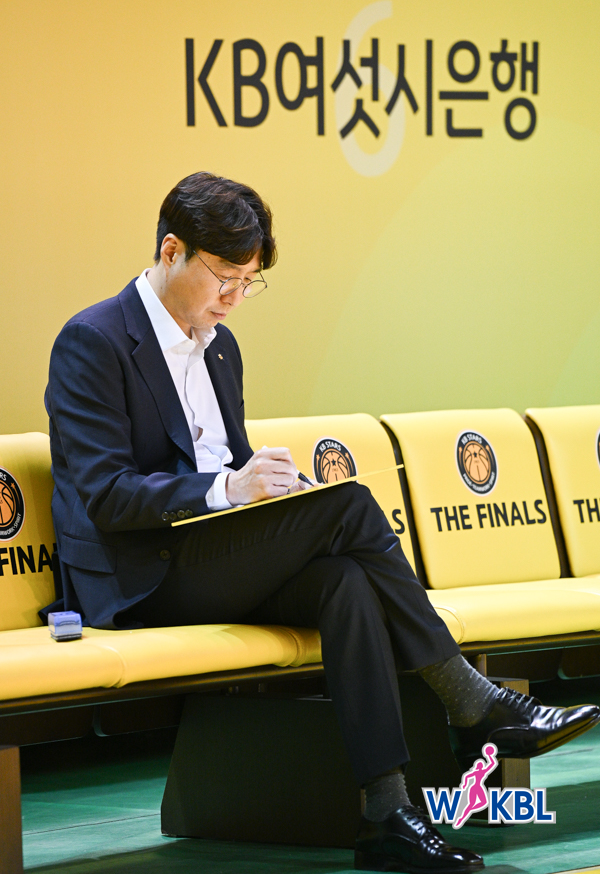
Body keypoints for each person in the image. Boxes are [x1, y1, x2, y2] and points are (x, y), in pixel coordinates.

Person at [45, 172, 600, 873]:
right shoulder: (93, 341)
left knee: (345, 581)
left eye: (248, 283)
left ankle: (386, 814)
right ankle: (470, 700)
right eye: (224, 277)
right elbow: (106, 495)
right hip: (139, 576)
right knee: (350, 505)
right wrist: (228, 487)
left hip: (213, 559)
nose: (233, 298)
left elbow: (229, 464)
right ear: (171, 251)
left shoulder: (221, 348)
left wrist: (274, 490)